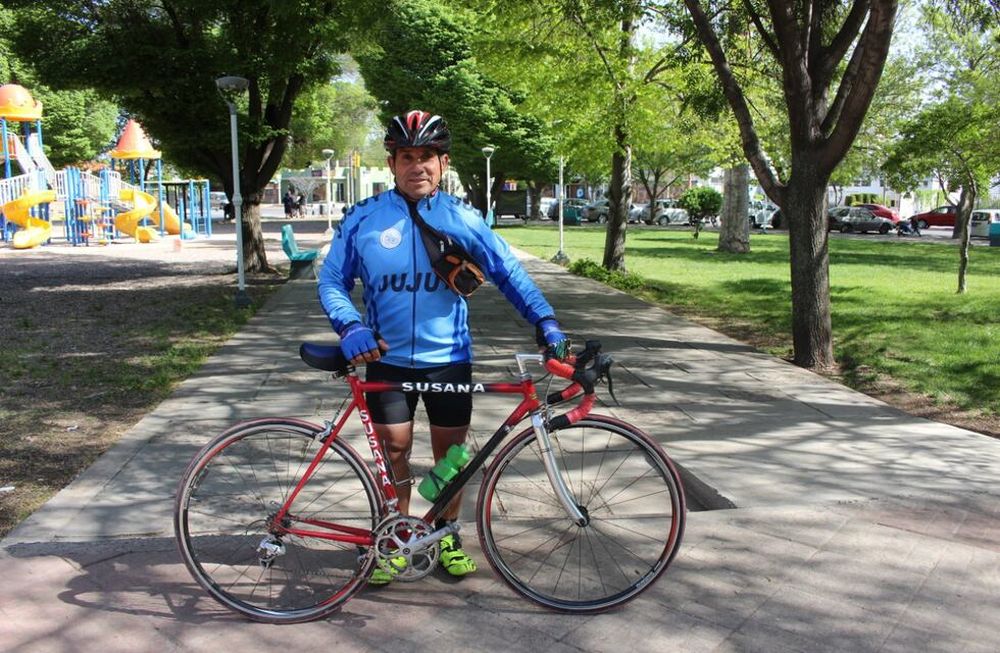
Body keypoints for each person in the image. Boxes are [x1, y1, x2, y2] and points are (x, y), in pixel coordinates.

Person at [317, 110, 568, 584]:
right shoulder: (364, 219)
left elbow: (509, 272)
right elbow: (332, 280)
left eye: (427, 156)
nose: (418, 166)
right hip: (385, 357)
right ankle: (393, 539)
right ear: (392, 163)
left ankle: (443, 531)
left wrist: (545, 318)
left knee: (450, 455)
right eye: (407, 156)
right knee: (393, 450)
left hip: (447, 360)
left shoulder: (463, 218)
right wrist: (350, 325)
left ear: (444, 161)